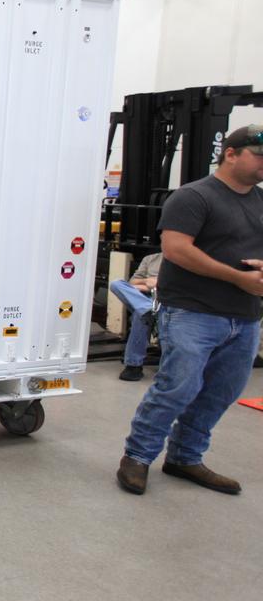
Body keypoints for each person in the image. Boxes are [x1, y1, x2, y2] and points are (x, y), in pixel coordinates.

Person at [117, 124, 263, 496]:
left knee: (220, 393)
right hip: (193, 312)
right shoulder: (194, 197)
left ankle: (185, 457)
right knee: (176, 388)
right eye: (259, 156)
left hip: (245, 316)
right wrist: (238, 278)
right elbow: (177, 250)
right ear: (231, 154)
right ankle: (137, 457)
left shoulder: (260, 200)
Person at [109, 252, 162, 381]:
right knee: (116, 284)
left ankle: (133, 366)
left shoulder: (181, 259)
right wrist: (147, 282)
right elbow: (132, 283)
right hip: (145, 297)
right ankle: (147, 308)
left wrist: (157, 284)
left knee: (141, 315)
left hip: (166, 299)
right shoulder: (150, 258)